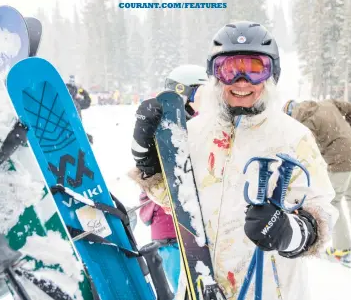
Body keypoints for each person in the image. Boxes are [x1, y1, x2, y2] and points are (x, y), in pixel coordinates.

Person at [127, 21, 337, 300]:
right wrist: (148, 163)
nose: (242, 81)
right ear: (214, 75)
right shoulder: (197, 132)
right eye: (229, 69)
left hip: (268, 289)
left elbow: (320, 212)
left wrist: (288, 231)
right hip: (199, 285)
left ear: (272, 74)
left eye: (254, 69)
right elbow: (179, 201)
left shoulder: (294, 138)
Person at [132, 64, 208, 293]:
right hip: (172, 233)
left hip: (195, 232)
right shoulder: (163, 125)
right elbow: (156, 177)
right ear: (183, 93)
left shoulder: (203, 125)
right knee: (185, 290)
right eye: (201, 93)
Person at [282, 99, 351, 264]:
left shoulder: (302, 123)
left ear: (290, 114)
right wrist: (349, 132)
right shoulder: (326, 104)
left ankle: (342, 248)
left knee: (333, 202)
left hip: (341, 161)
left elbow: (308, 153)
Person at [65, 75, 93, 143]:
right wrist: (83, 92)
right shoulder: (72, 101)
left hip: (73, 130)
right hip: (70, 129)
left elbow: (87, 103)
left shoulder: (76, 102)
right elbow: (87, 102)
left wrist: (83, 92)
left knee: (87, 138)